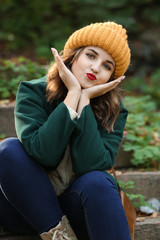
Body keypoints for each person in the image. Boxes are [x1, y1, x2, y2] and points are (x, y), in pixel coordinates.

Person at [0, 21, 131, 240]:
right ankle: (60, 236)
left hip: (76, 208)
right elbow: (43, 153)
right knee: (8, 150)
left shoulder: (114, 112)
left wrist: (85, 101)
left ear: (111, 78)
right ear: (74, 55)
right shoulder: (33, 92)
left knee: (99, 181)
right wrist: (72, 97)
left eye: (107, 66)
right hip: (23, 209)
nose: (96, 68)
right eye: (91, 55)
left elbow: (91, 165)